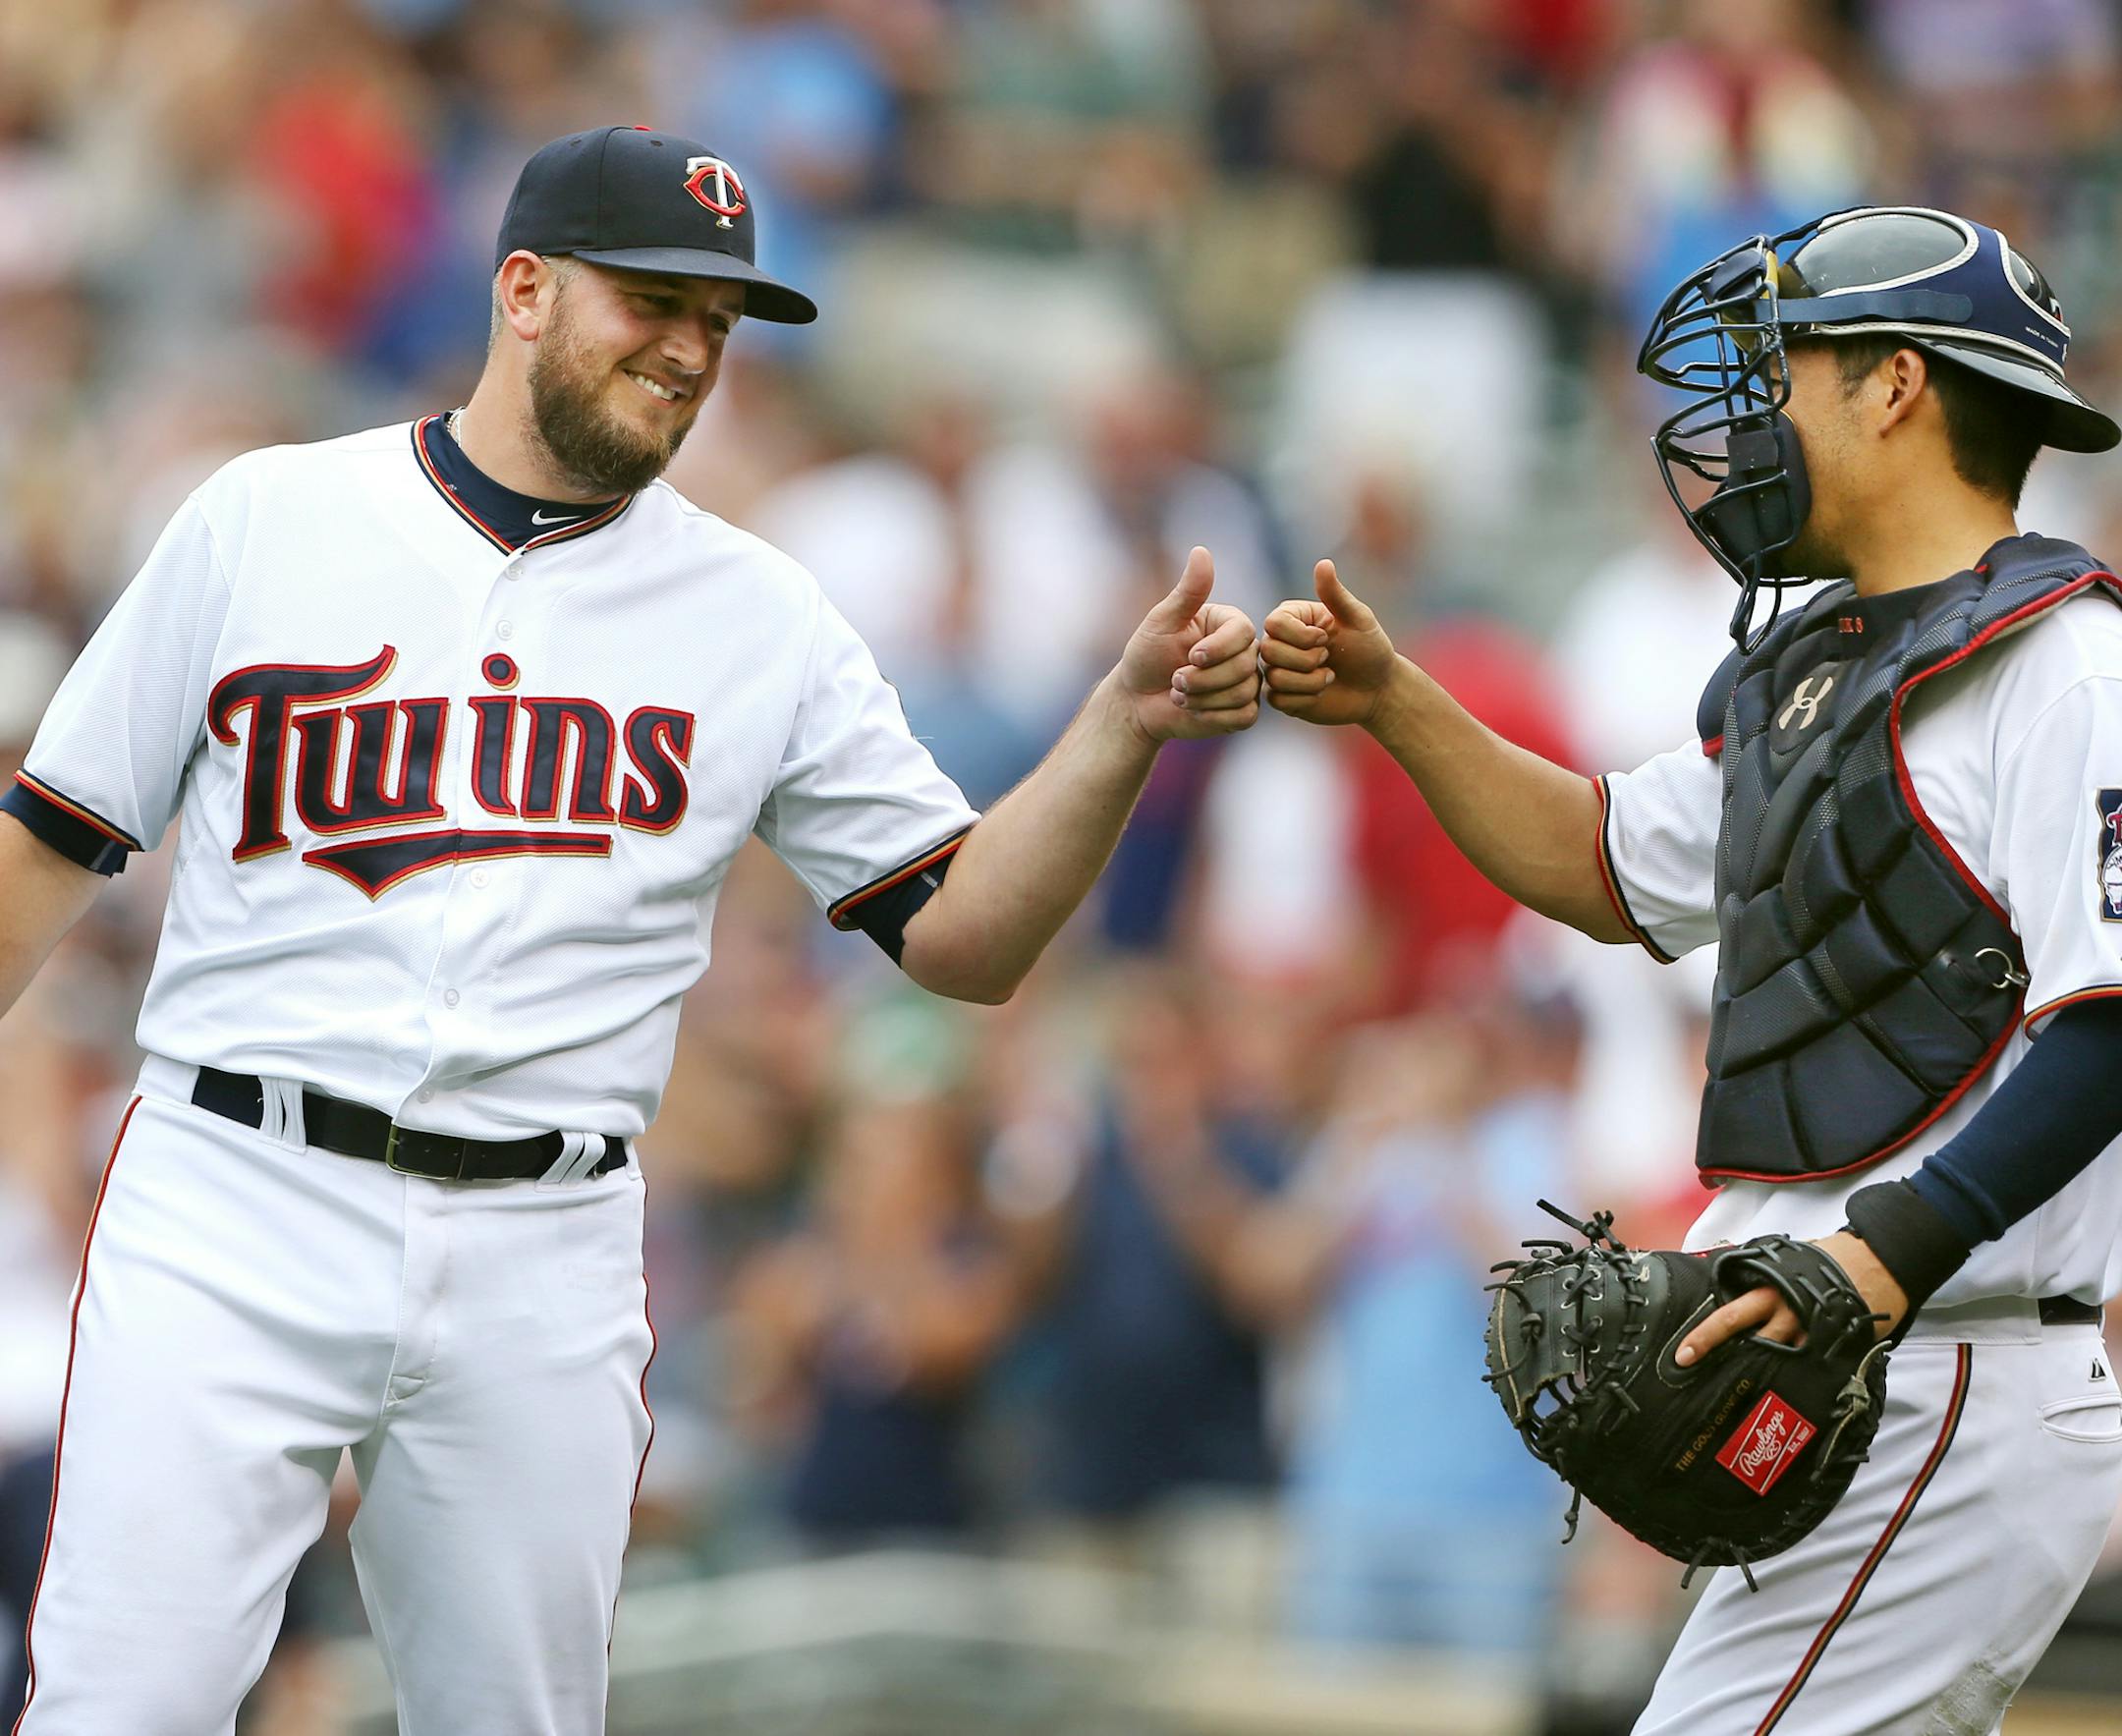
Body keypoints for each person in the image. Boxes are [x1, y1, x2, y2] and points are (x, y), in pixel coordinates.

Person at [0, 125, 1262, 1734]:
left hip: (546, 1234)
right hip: (240, 1192)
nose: (687, 350)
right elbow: (44, 849)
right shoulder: (266, 520)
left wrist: (1116, 731)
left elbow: (964, 939)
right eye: (650, 300)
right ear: (523, 288)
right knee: (120, 1708)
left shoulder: (763, 616)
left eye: (717, 324)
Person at [1261, 204, 2122, 1732]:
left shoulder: (2072, 670)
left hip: (1947, 1367)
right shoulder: (1819, 674)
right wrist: (1400, 703)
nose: (1747, 414)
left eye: (1782, 365)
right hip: (1854, 1377)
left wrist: (1875, 1261)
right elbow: (1600, 866)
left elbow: (2113, 1023)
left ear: (1897, 385)